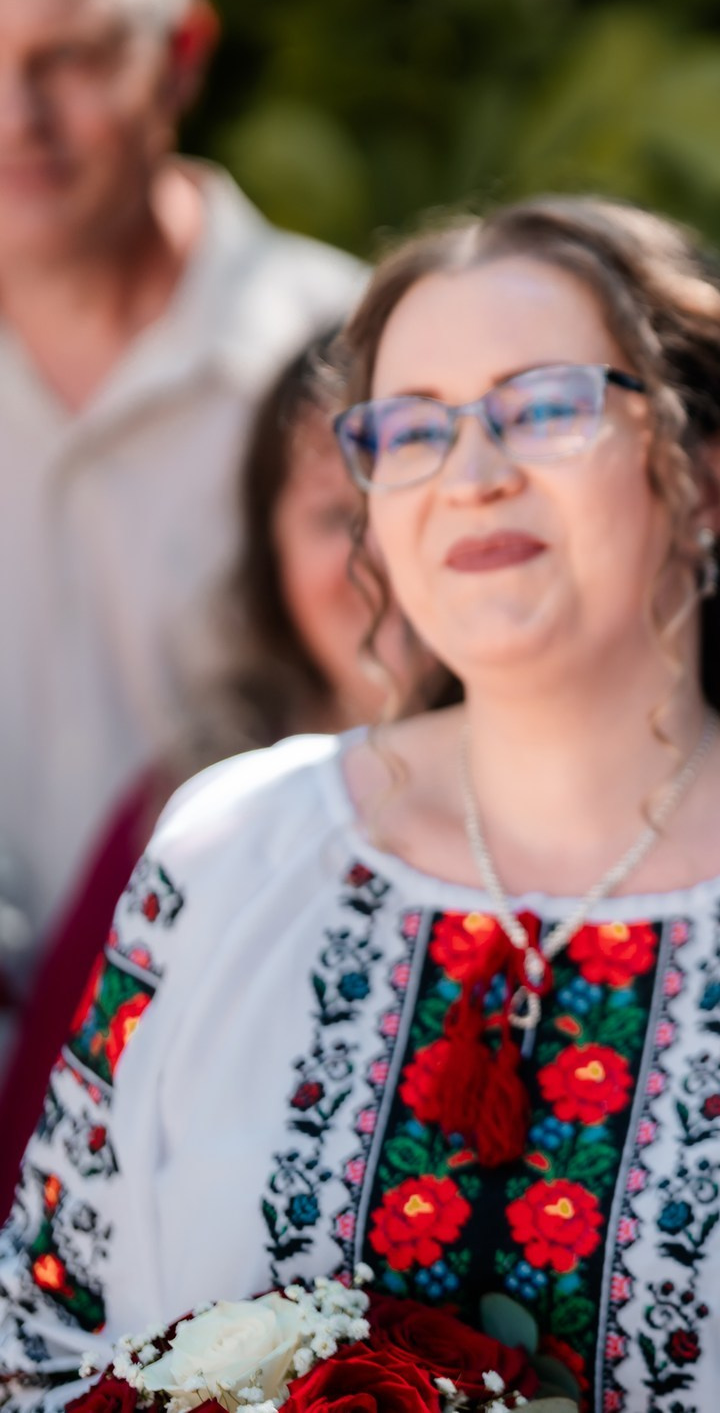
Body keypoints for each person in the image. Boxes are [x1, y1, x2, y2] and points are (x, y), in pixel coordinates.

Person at [0, 198, 720, 1411]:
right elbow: (42, 1344)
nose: (473, 477)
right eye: (412, 429)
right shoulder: (232, 852)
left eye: (545, 410)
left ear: (707, 482)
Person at [0, 0, 360, 989]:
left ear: (181, 54)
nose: (20, 121)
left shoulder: (356, 373)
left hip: (248, 1051)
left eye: (74, 58)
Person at [0, 334, 434, 1196]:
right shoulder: (190, 815)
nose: (379, 558)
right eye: (334, 518)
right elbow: (41, 1150)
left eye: (415, 505)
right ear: (270, 554)